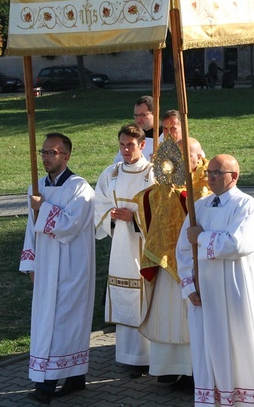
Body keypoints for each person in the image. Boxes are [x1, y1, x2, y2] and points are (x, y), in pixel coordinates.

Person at [176, 154, 254, 406]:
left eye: (219, 173)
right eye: (210, 172)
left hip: (237, 289)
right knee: (210, 346)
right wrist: (189, 286)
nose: (212, 177)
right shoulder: (200, 207)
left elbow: (239, 244)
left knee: (242, 343)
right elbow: (183, 249)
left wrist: (202, 237)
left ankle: (249, 399)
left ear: (234, 177)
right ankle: (215, 398)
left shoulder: (247, 206)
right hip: (204, 293)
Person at [20, 133, 95, 404]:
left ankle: (47, 386)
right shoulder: (36, 186)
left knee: (65, 324)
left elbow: (70, 226)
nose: (46, 157)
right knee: (46, 323)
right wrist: (30, 264)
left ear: (66, 156)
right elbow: (31, 230)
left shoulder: (80, 189)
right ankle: (75, 378)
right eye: (43, 152)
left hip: (71, 268)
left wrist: (44, 207)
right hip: (45, 267)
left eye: (52, 152)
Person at [134, 137, 210, 390]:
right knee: (167, 313)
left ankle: (192, 371)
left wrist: (181, 196)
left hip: (194, 265)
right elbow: (146, 203)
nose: (180, 161)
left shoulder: (207, 184)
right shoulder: (166, 185)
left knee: (191, 318)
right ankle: (167, 367)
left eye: (187, 155)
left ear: (199, 157)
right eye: (176, 155)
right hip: (168, 264)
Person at [95, 123, 155, 376]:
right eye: (121, 145)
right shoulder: (112, 173)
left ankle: (150, 356)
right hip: (120, 245)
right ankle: (129, 356)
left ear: (142, 145)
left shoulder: (152, 174)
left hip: (145, 246)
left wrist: (136, 219)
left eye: (130, 145)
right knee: (124, 294)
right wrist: (112, 215)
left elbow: (162, 212)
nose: (125, 150)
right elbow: (99, 204)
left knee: (147, 297)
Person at [115, 96, 159, 163]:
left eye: (143, 115)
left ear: (155, 114)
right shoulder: (132, 135)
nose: (138, 119)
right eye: (136, 115)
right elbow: (118, 162)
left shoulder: (165, 136)